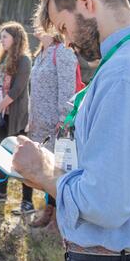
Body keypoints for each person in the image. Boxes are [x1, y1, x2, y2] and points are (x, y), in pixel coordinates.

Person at [12, 0, 130, 261]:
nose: (68, 42)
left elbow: (106, 203)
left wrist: (46, 174)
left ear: (87, 4)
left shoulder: (122, 74)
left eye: (64, 27)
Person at [15, 30, 77, 227]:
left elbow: (68, 88)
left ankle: (59, 217)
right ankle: (48, 210)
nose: (36, 28)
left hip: (56, 124)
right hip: (39, 124)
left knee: (58, 169)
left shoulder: (63, 52)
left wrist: (63, 118)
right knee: (47, 169)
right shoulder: (41, 54)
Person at [0, 22, 31, 203]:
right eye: (1, 37)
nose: (1, 40)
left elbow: (17, 90)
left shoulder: (24, 60)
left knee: (22, 159)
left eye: (5, 37)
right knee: (1, 154)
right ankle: (1, 192)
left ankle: (27, 201)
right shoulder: (3, 58)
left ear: (16, 39)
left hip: (15, 116)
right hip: (1, 115)